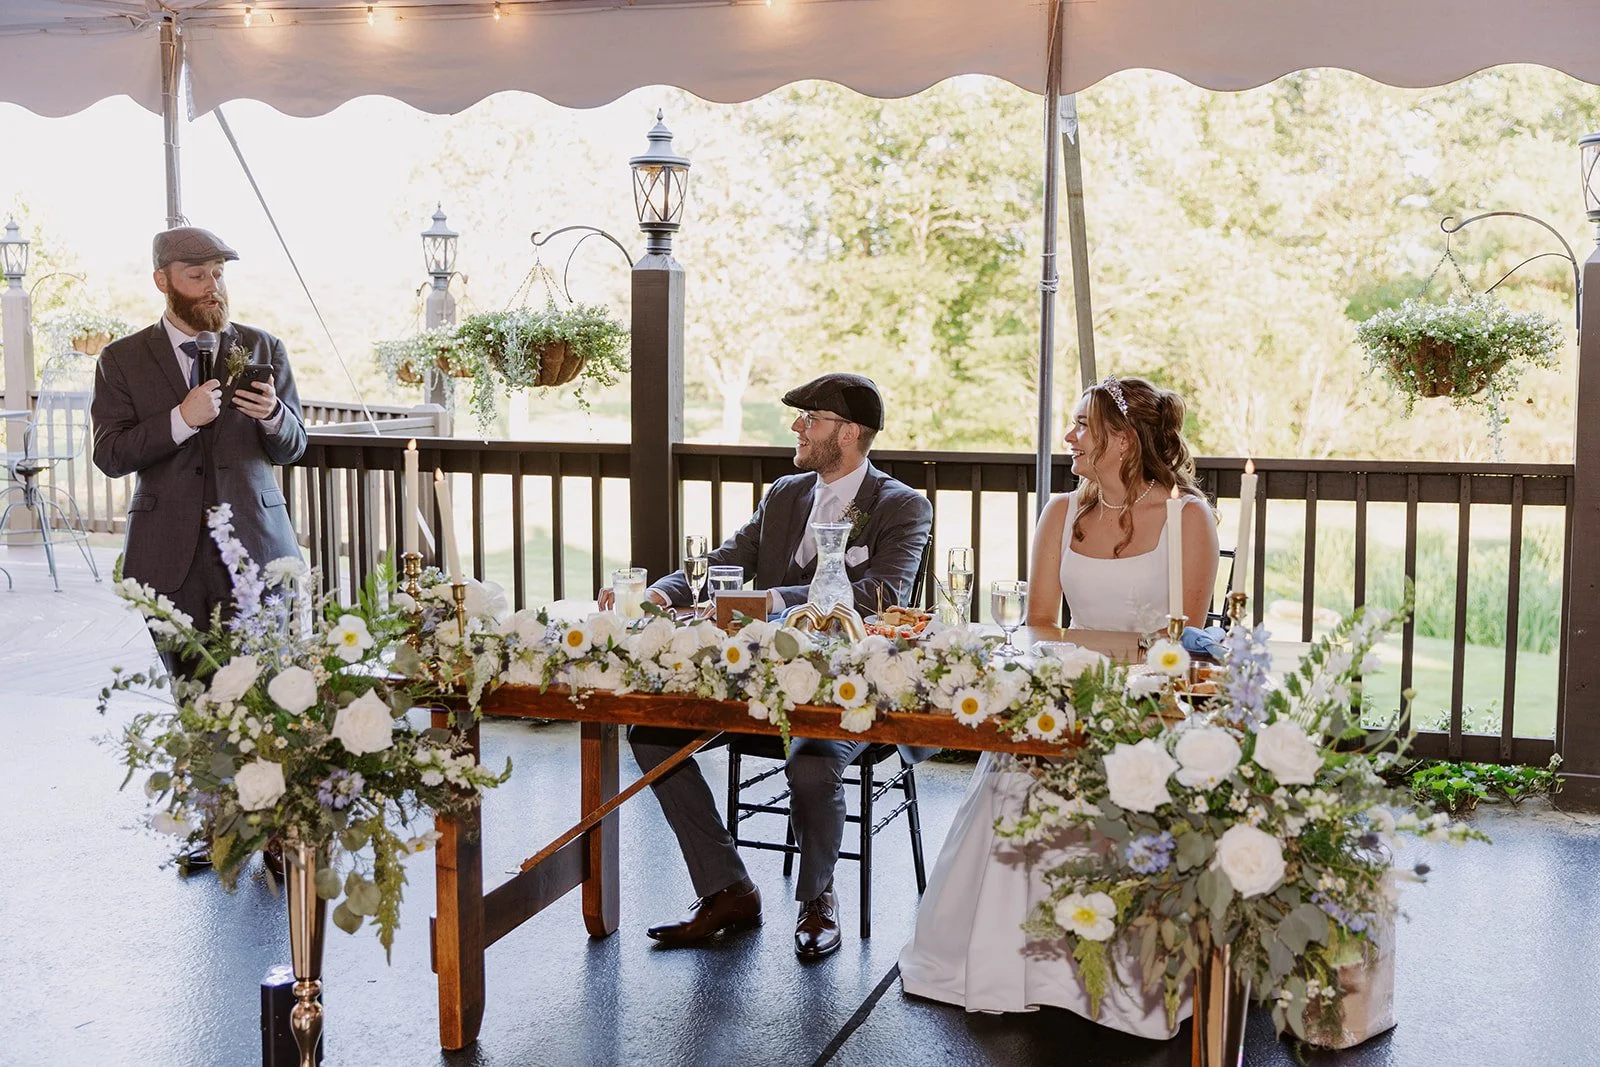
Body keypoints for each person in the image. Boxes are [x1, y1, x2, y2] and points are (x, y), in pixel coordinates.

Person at [898, 375, 1219, 1031]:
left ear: (1123, 441)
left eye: (1081, 425)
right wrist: (1112, 644)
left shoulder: (1189, 518)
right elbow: (1039, 622)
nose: (1068, 437)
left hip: (1147, 710)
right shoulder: (1060, 514)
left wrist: (1097, 644)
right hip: (1061, 693)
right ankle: (1006, 964)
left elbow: (1185, 643)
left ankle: (1111, 977)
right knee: (1018, 779)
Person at [622, 372, 933, 960]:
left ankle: (818, 898)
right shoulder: (785, 493)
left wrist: (778, 600)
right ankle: (727, 888)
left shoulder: (902, 505)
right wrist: (664, 594)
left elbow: (884, 593)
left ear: (850, 434)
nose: (796, 427)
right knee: (651, 735)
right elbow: (724, 562)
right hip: (759, 681)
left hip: (851, 689)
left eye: (810, 419)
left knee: (812, 763)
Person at [91, 227, 307, 865]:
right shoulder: (121, 360)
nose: (213, 286)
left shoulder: (263, 347)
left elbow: (294, 444)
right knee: (197, 699)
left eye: (219, 273)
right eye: (198, 275)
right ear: (163, 280)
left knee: (270, 694)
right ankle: (220, 829)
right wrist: (182, 419)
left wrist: (272, 415)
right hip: (169, 554)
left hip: (259, 548)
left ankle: (277, 828)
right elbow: (109, 453)